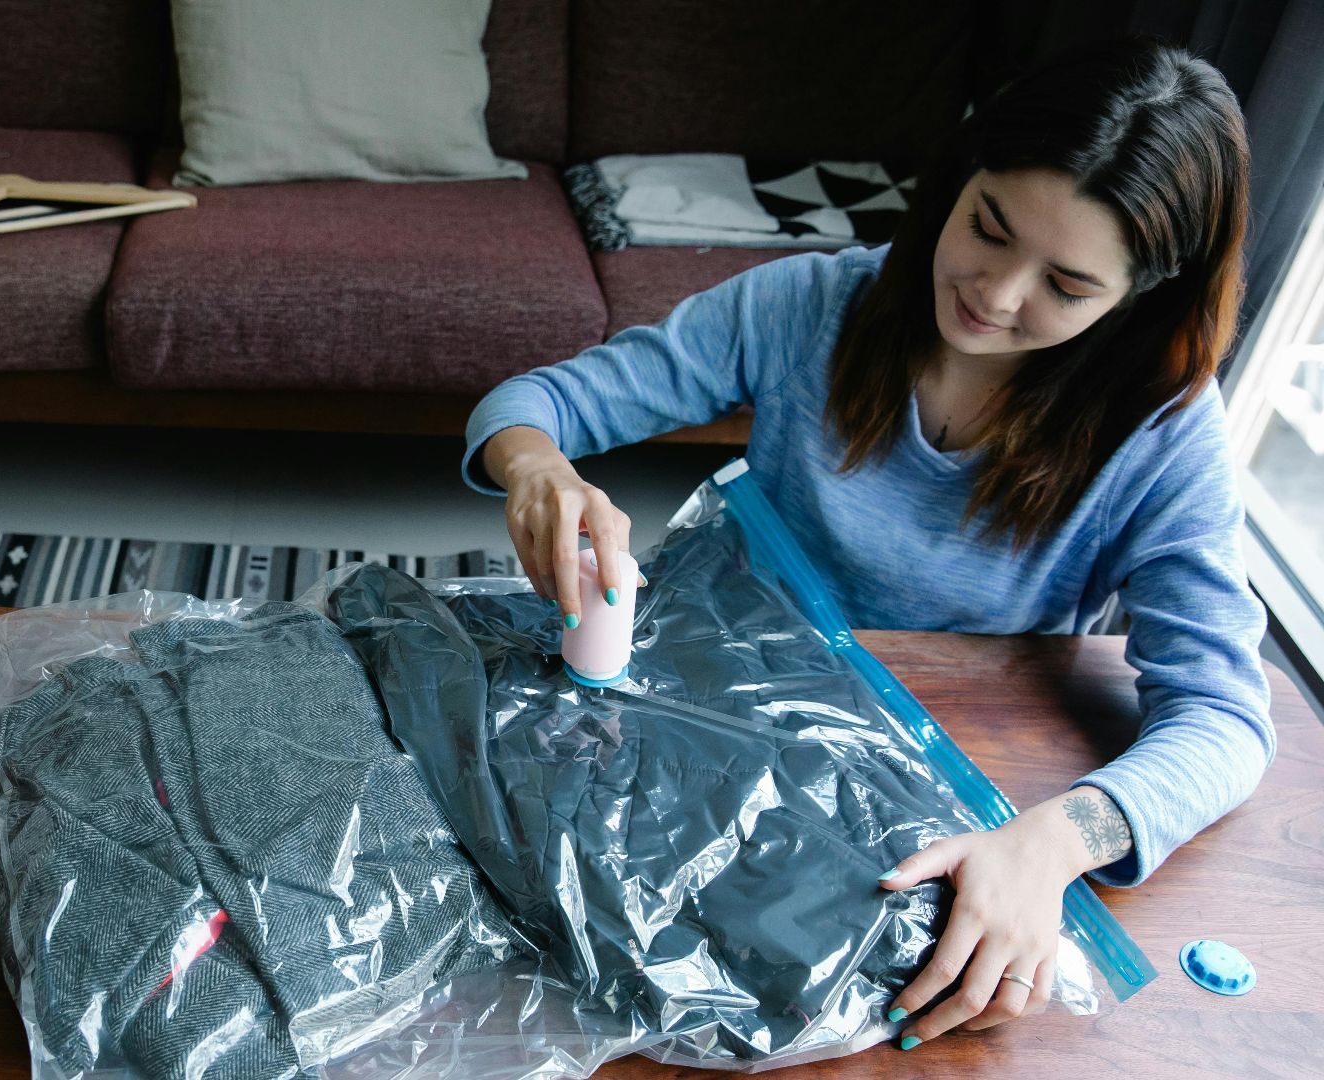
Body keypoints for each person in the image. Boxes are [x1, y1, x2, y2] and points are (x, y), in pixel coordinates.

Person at [462, 37, 1274, 1050]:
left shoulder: (1162, 432)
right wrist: (538, 465)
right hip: (713, 719)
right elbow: (534, 400)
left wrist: (1059, 839)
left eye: (1066, 286)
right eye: (987, 227)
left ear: (1143, 293)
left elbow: (1227, 723)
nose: (998, 294)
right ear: (958, 180)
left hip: (933, 790)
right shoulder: (808, 304)